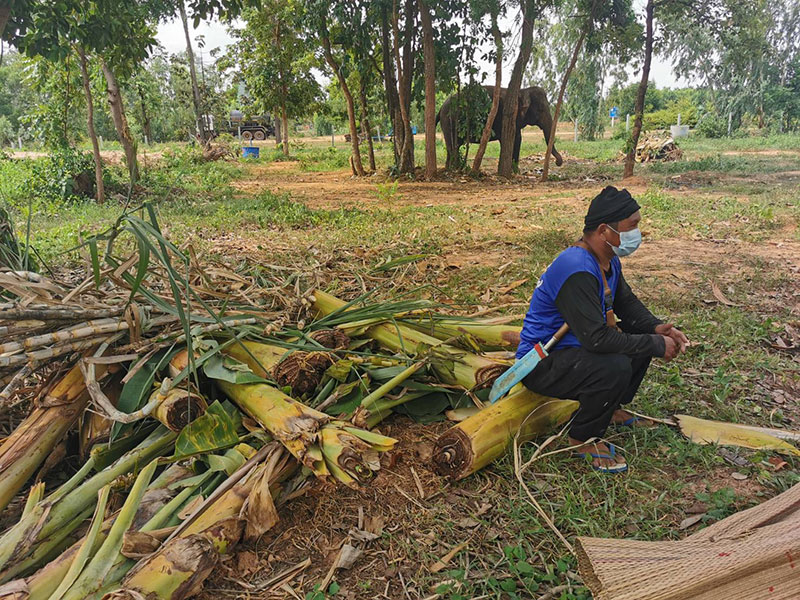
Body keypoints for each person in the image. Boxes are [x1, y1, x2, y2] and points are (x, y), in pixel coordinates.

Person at [517, 186, 688, 473]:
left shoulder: (606, 261)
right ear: (604, 230)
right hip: (541, 363)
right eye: (631, 226)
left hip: (574, 352)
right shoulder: (576, 269)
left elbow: (626, 304)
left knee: (640, 341)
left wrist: (657, 328)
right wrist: (655, 344)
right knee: (615, 365)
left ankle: (610, 410)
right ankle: (582, 438)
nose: (637, 233)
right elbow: (596, 339)